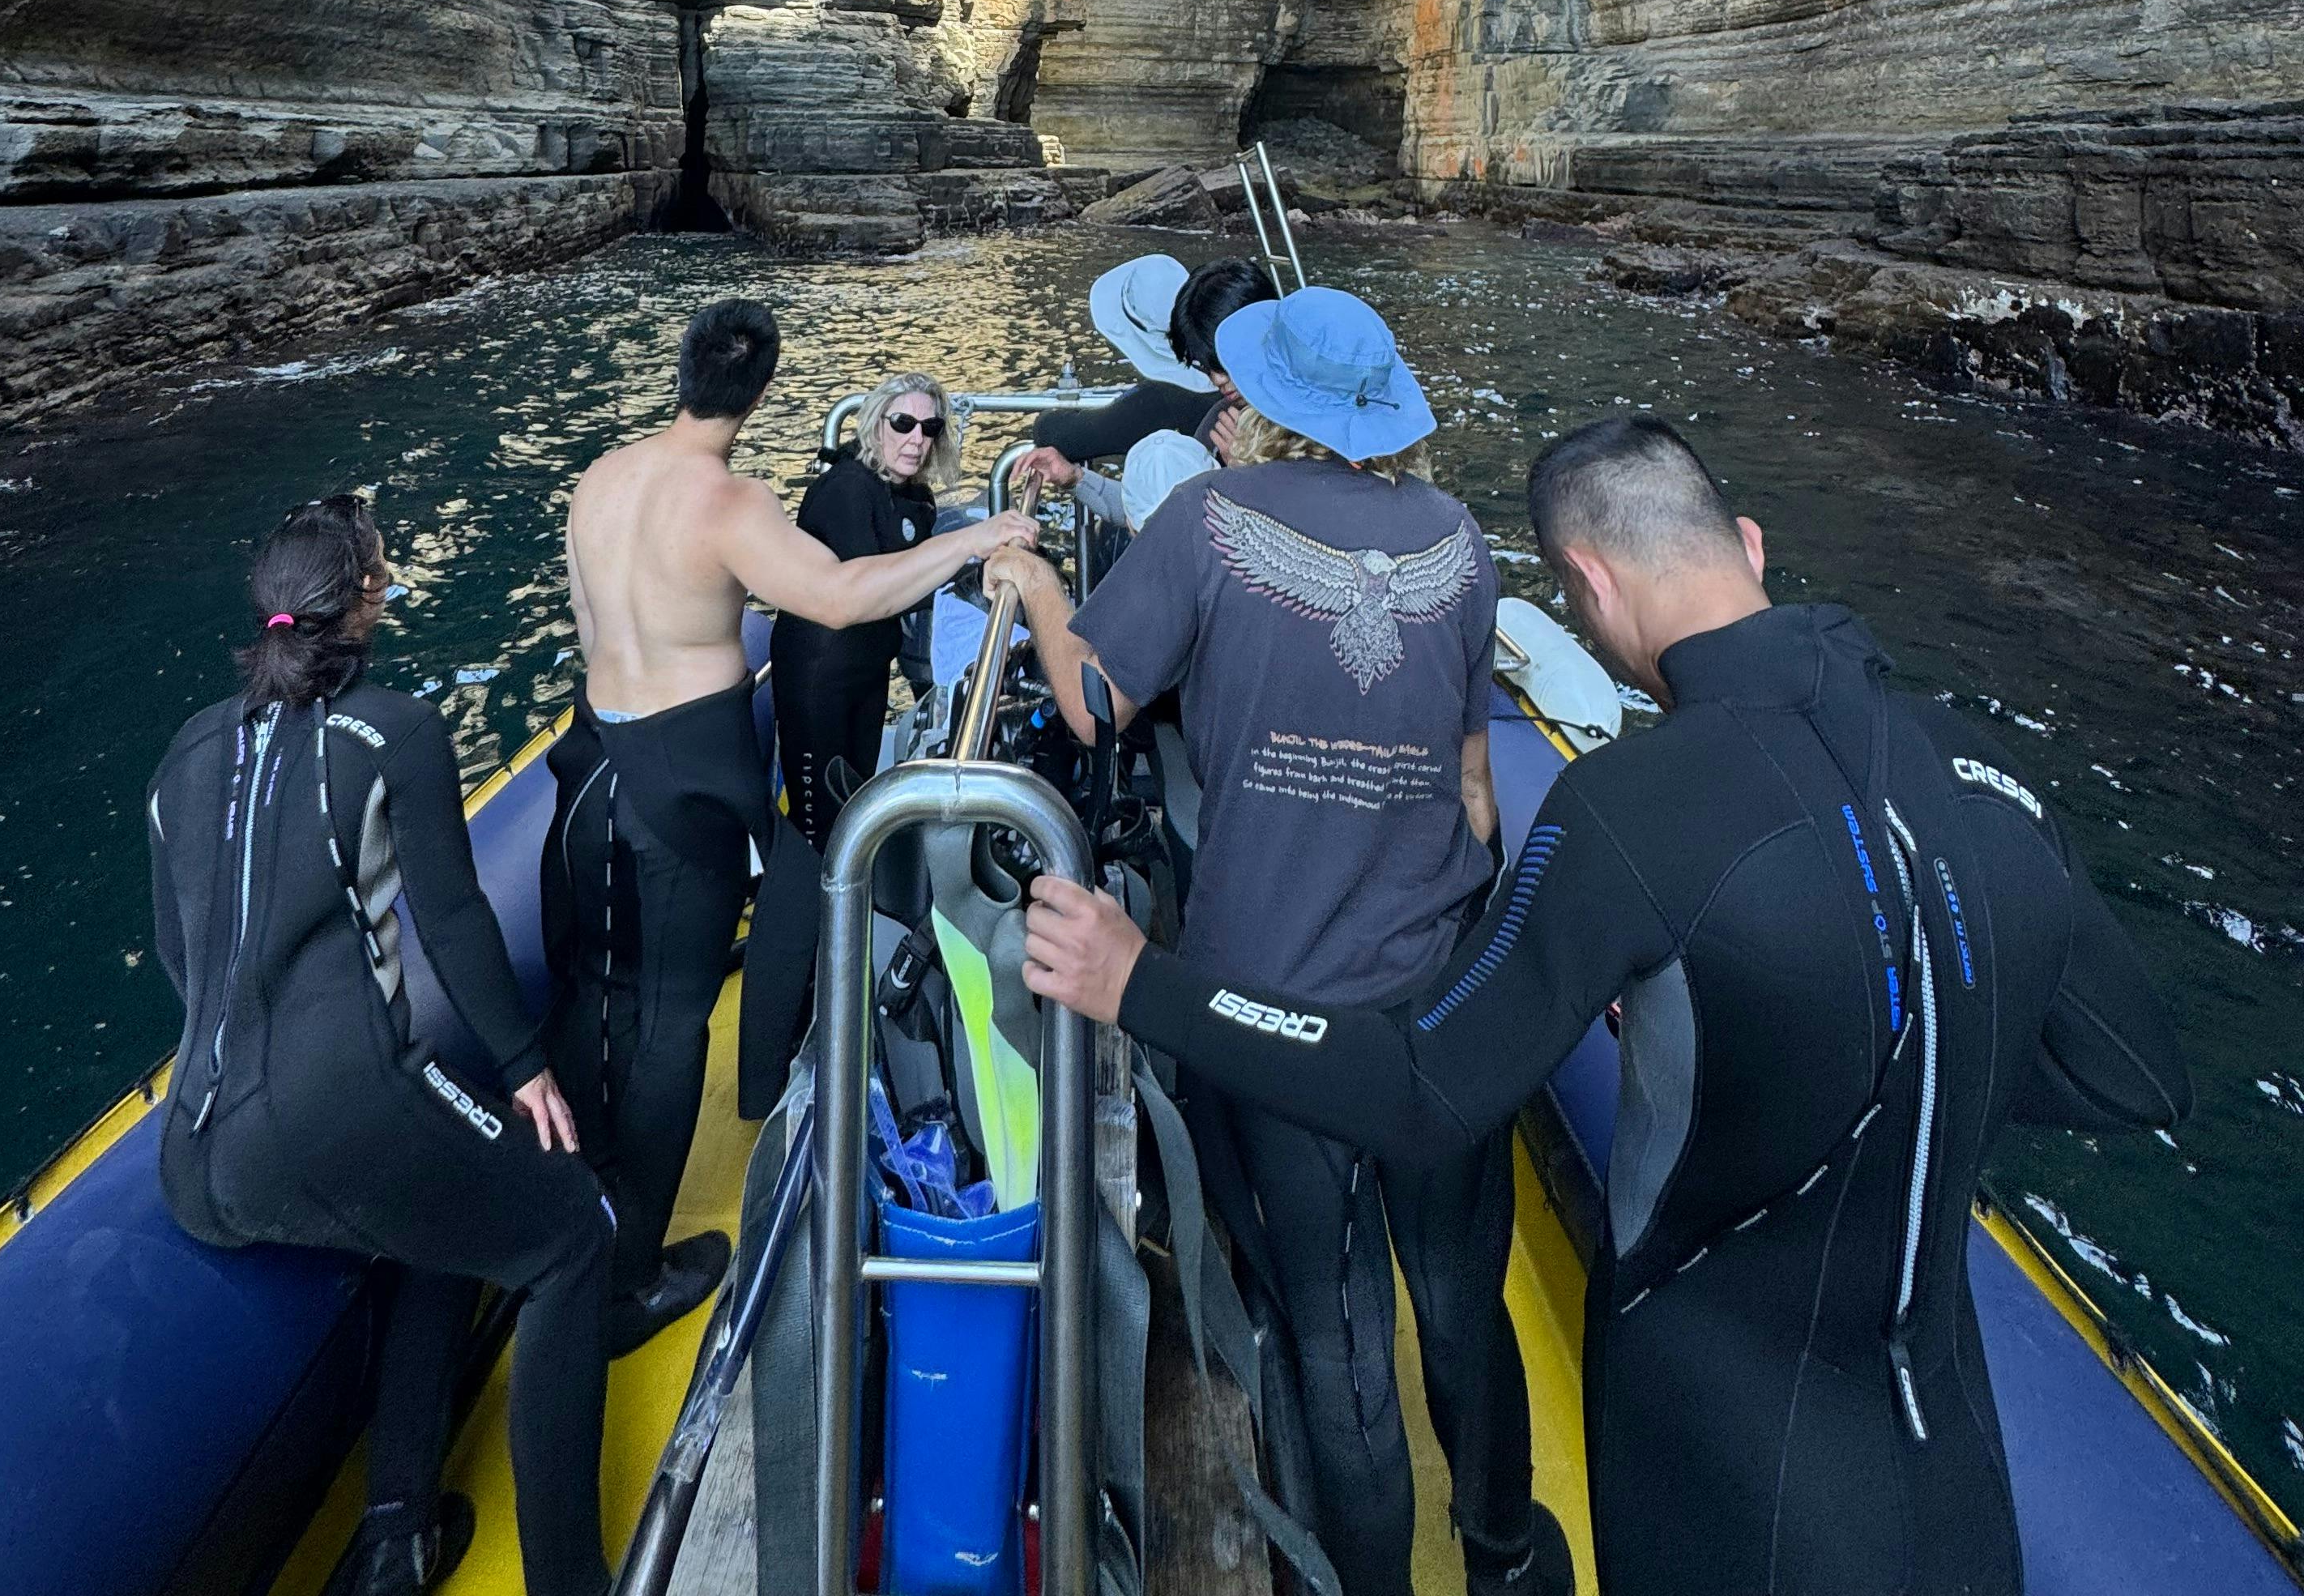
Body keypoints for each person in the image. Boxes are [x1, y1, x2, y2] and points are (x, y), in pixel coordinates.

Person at [1022, 414, 2194, 1596]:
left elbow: (1425, 1091)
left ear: (1586, 582)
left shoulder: (1630, 810)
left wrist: (1142, 983)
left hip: (1716, 1450)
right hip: (1950, 1467)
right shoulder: (1977, 766)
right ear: (1749, 540)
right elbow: (2129, 1075)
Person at [987, 285, 1564, 1596]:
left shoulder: (1206, 519)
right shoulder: (1455, 539)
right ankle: (1505, 1557)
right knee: (1461, 1292)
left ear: (1262, 408)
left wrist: (1028, 580)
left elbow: (1089, 698)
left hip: (1279, 1004)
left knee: (1335, 1330)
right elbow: (1473, 787)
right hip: (1440, 990)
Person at [545, 298, 1036, 1346]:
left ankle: (570, 1234)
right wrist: (981, 539)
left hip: (595, 761)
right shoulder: (728, 501)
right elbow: (841, 598)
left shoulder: (601, 477)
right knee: (676, 1024)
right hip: (686, 774)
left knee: (603, 998)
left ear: (681, 369)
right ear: (763, 393)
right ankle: (627, 1283)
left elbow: (591, 623)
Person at [147, 494, 612, 1596]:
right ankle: (572, 1578)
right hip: (334, 1117)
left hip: (192, 1156)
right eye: (385, 574)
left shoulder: (187, 747)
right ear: (365, 600)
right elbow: (451, 921)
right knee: (572, 1236)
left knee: (435, 1213)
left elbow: (181, 955)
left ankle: (399, 1534)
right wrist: (526, 1068)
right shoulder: (390, 727)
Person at [771, 367, 959, 849]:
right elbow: (870, 590)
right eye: (903, 424)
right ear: (877, 424)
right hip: (820, 676)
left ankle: (852, 906)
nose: (916, 439)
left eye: (929, 428)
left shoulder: (915, 496)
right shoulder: (846, 489)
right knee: (819, 825)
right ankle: (805, 916)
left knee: (857, 805)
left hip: (868, 670)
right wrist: (964, 558)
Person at [1013, 254, 1277, 497]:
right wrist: (1076, 479)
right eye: (1208, 366)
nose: (1216, 379)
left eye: (1221, 363)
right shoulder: (1225, 411)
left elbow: (1055, 431)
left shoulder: (1164, 400)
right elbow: (1176, 515)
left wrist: (1245, 475)